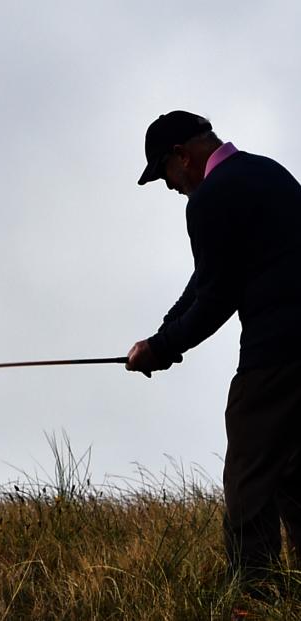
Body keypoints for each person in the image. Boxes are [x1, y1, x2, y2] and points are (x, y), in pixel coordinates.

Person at [127, 110, 301, 591]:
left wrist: (160, 349)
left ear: (182, 155)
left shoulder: (210, 199)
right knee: (293, 470)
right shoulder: (267, 172)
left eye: (164, 172)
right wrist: (164, 332)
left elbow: (216, 299)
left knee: (248, 475)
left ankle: (255, 594)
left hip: (275, 354)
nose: (169, 185)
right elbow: (211, 276)